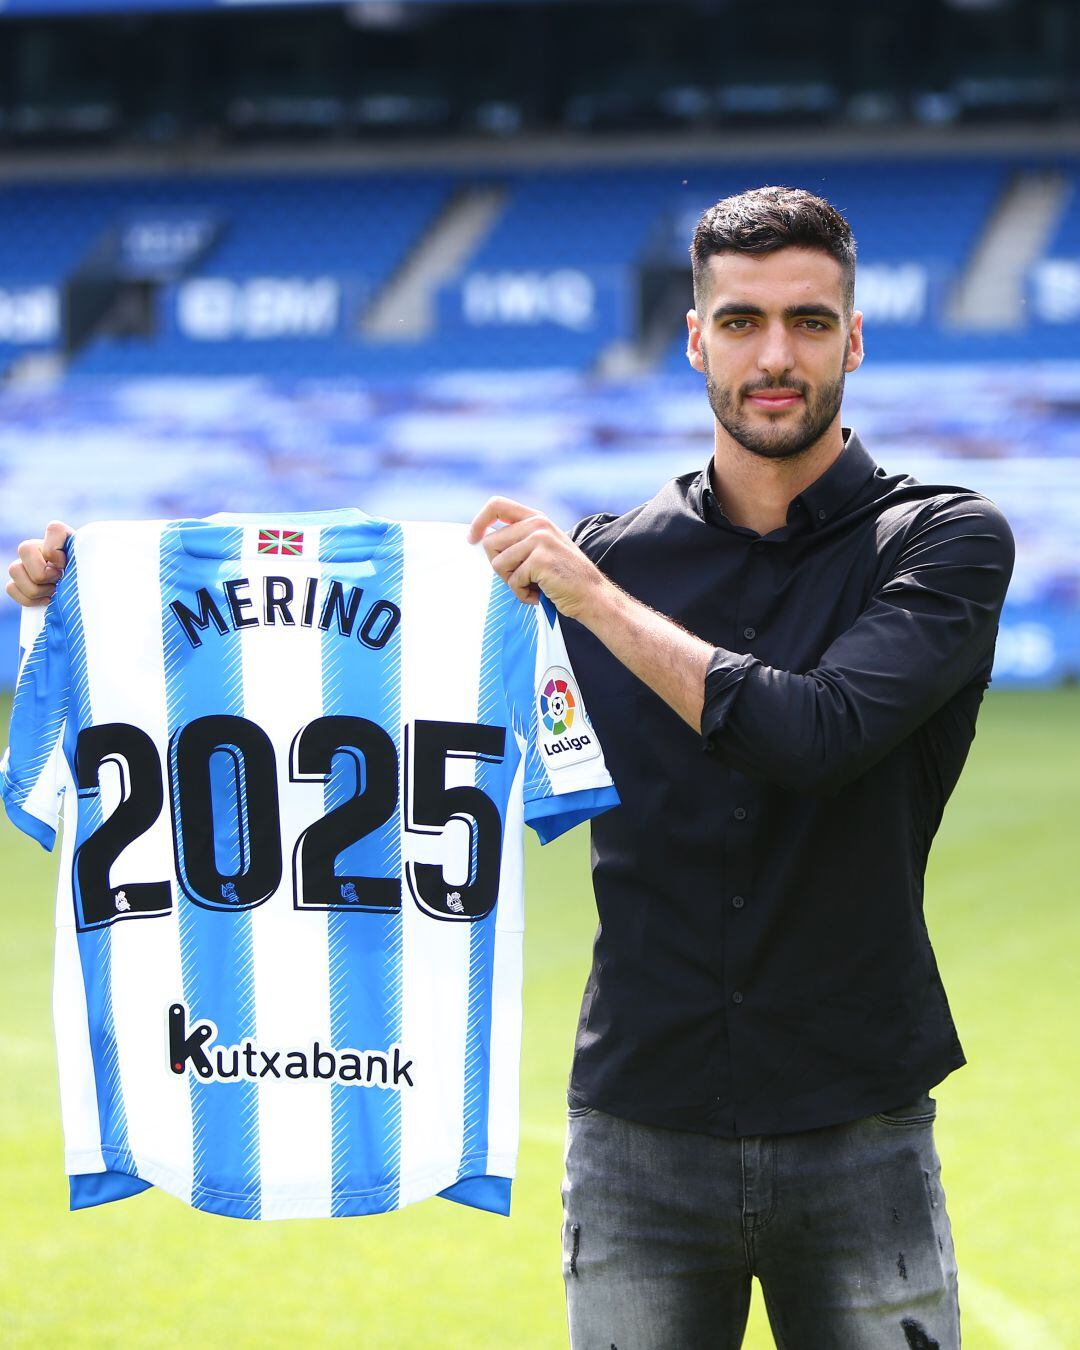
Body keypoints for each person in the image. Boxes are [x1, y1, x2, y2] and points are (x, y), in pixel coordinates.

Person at [8, 187, 1014, 1350]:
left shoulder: (942, 537)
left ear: (856, 335)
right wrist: (93, 603)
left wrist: (592, 598)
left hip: (859, 1121)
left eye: (807, 321)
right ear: (695, 339)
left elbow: (818, 735)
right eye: (740, 323)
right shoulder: (610, 558)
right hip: (639, 1124)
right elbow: (353, 670)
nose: (774, 355)